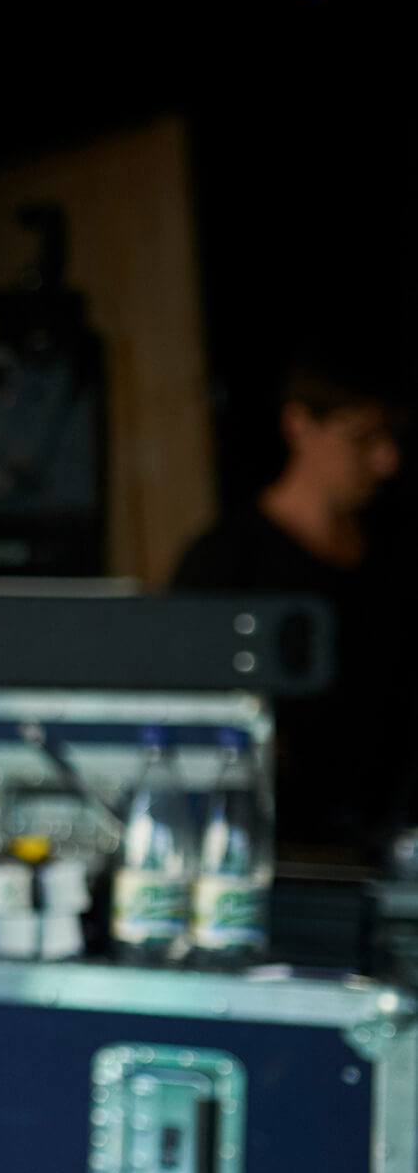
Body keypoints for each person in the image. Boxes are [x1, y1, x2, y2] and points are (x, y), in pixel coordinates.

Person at [174, 355, 413, 853]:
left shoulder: (395, 558)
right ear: (300, 424)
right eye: (363, 438)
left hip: (386, 841)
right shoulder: (226, 561)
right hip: (273, 851)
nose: (386, 459)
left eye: (391, 438)